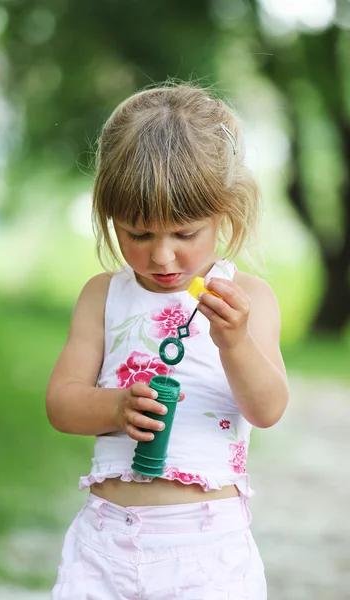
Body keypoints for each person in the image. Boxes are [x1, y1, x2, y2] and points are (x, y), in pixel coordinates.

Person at [47, 83, 289, 599]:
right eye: (138, 234)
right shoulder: (102, 296)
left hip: (206, 551)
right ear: (110, 217)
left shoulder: (247, 298)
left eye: (184, 234)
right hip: (105, 543)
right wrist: (115, 408)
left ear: (226, 212)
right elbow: (62, 404)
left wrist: (236, 344)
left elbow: (268, 409)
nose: (161, 258)